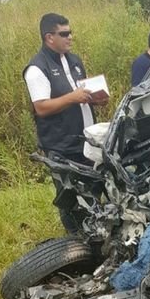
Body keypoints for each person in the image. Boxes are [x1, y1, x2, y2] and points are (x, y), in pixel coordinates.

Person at [24, 12, 109, 233]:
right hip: (62, 146)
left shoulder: (74, 60)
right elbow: (41, 107)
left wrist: (96, 99)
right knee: (70, 198)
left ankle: (97, 233)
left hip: (87, 141)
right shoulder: (36, 68)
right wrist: (72, 97)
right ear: (49, 37)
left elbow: (83, 92)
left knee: (93, 189)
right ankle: (76, 242)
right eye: (64, 33)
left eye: (70, 32)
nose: (70, 37)